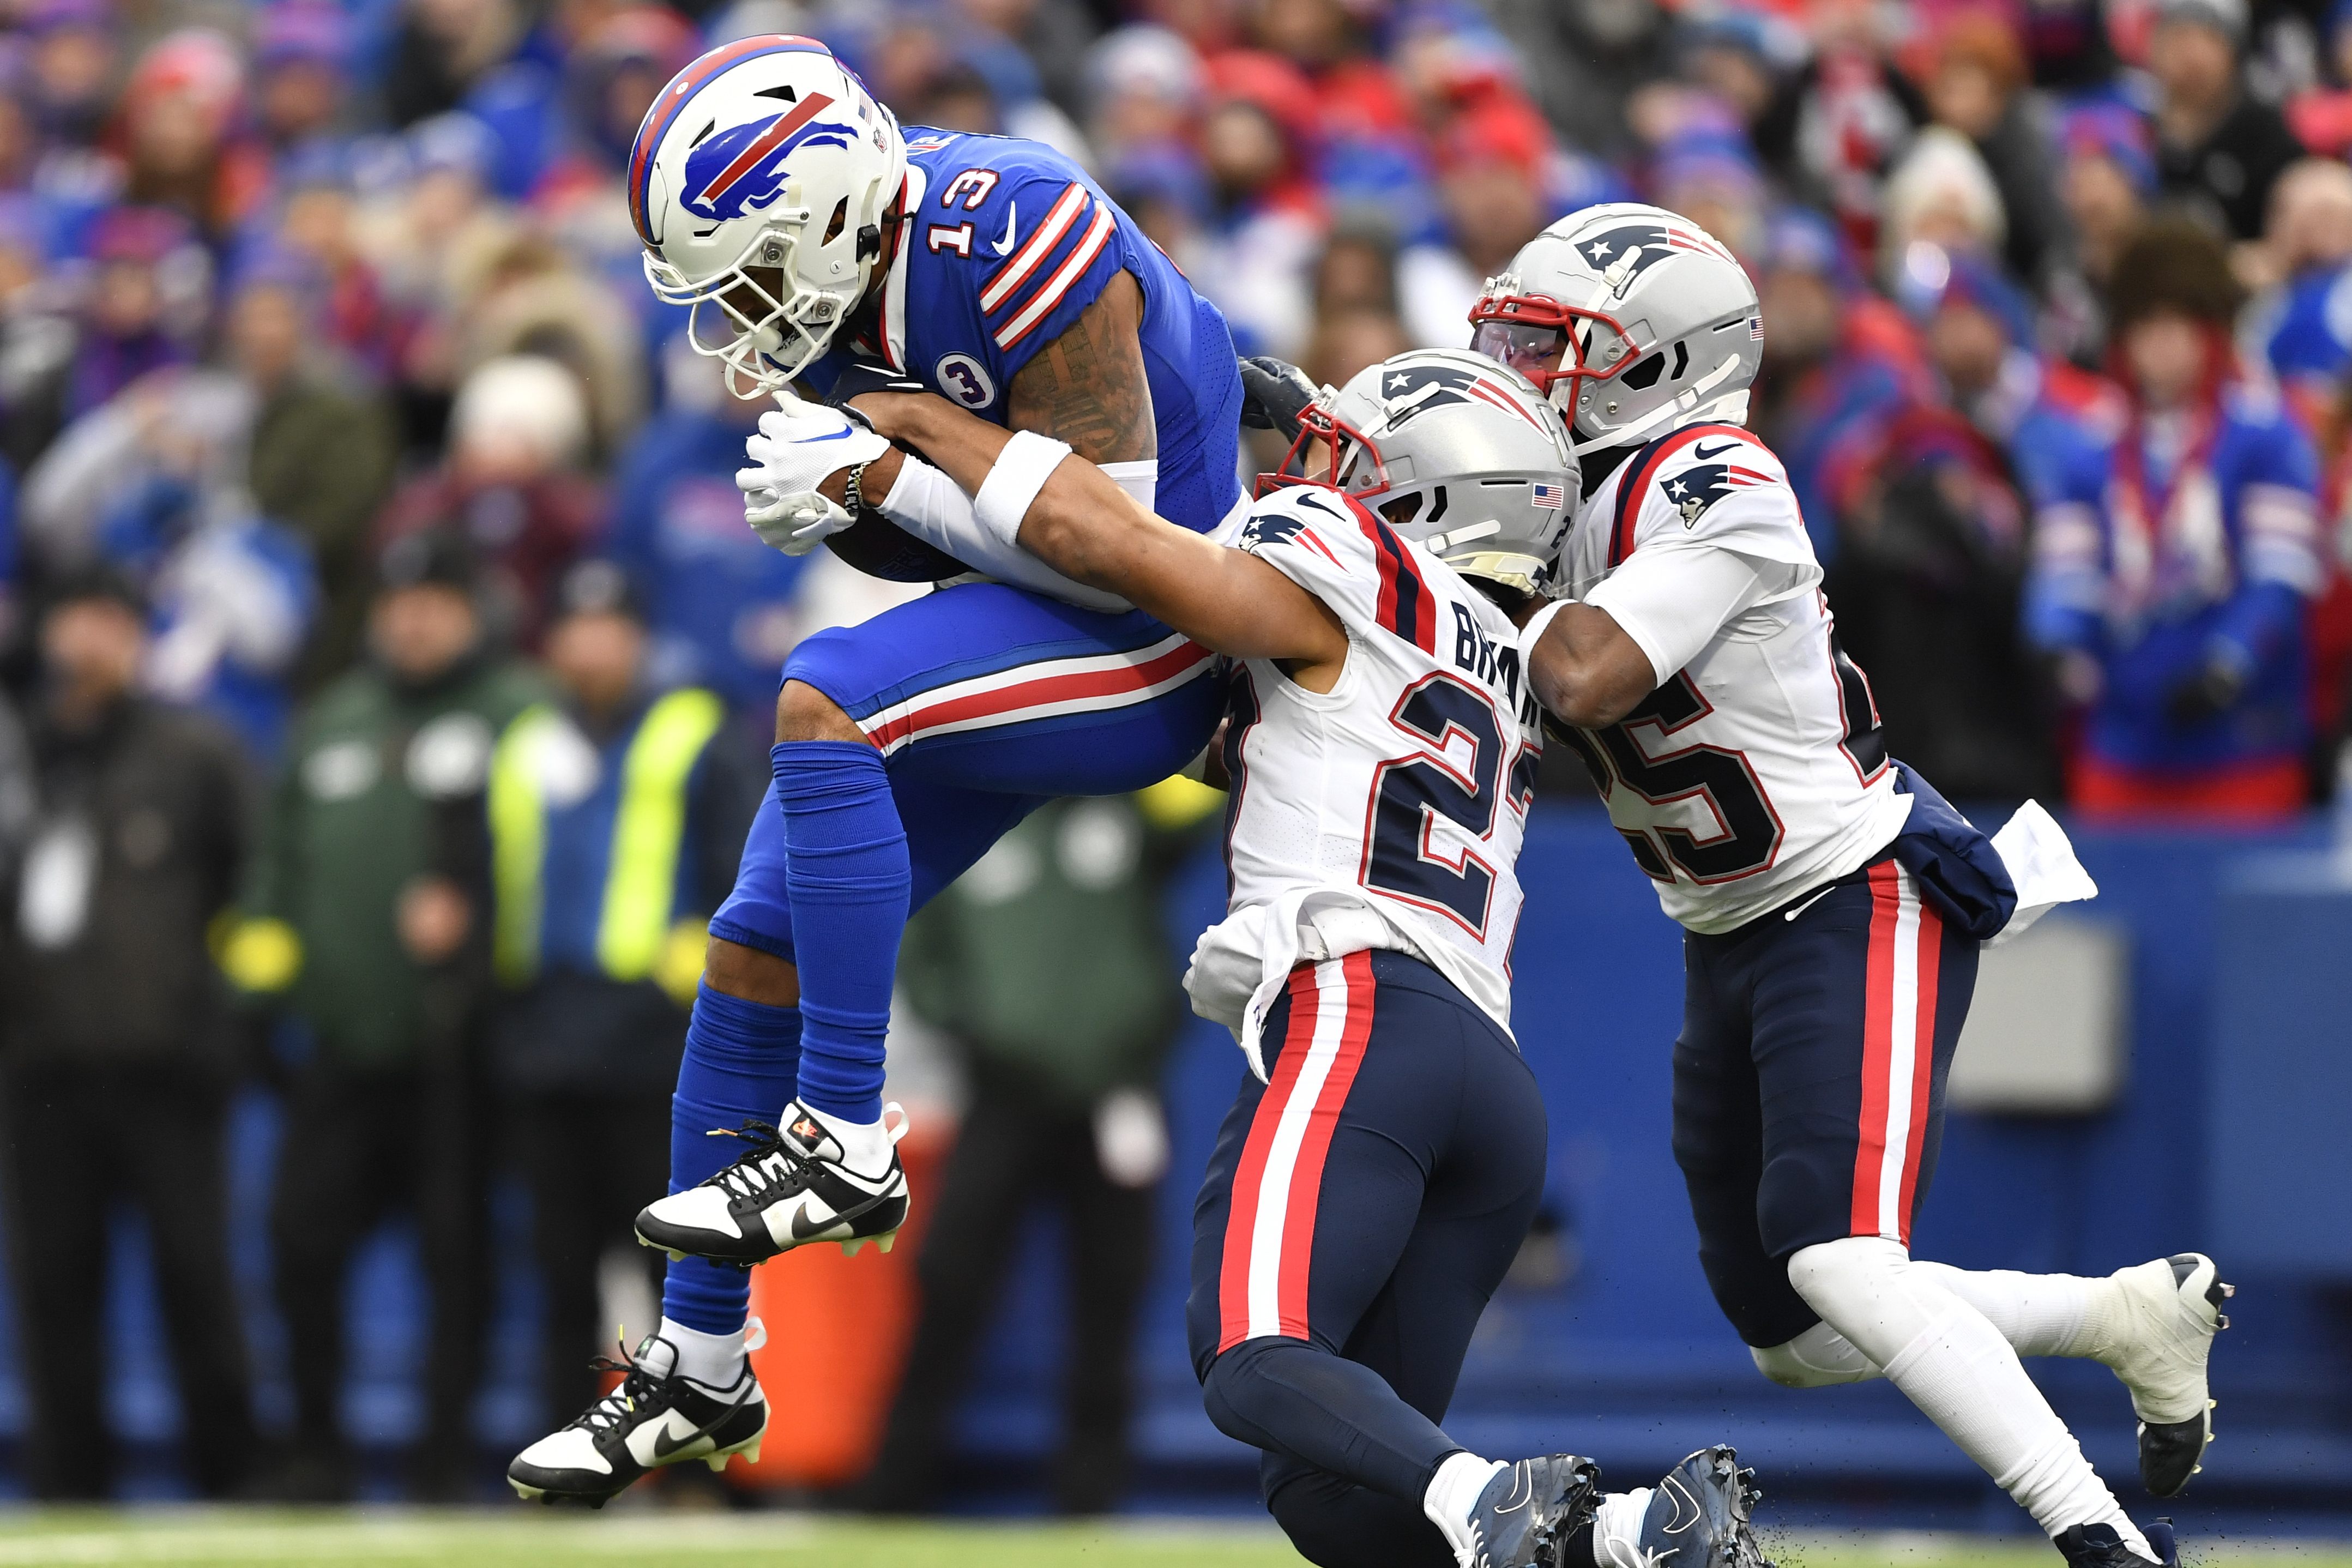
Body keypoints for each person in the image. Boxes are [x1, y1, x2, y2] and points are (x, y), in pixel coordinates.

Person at [845, 348, 1770, 1568]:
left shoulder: (1355, 577)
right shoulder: (1488, 654)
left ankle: (1497, 1502)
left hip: (1360, 1016)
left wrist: (908, 446)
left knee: (1250, 1354)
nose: (1319, 472)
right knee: (1342, 1500)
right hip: (1483, 1082)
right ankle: (1636, 1535)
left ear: (1426, 497)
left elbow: (1108, 542)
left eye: (1355, 462)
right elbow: (1190, 717)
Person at [505, 35, 1245, 1503]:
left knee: (826, 689)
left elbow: (1122, 550)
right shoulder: (846, 306)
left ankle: (844, 1129)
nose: (738, 316)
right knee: (751, 936)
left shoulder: (1013, 223)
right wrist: (871, 501)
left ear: (832, 202)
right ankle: (700, 1365)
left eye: (750, 267)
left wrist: (890, 472)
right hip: (1056, 608)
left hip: (1173, 625)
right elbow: (943, 528)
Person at [1468, 201, 2227, 1568]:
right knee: (1797, 1339)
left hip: (1854, 891)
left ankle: (2106, 1536)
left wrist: (1461, 570)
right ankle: (2124, 1313)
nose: (1520, 375)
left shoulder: (1717, 478)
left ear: (1655, 363)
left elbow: (1582, 674)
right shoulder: (1560, 487)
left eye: (1550, 347)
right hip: (1724, 928)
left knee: (1836, 1253)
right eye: (1513, 340)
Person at [223, 532, 548, 1500]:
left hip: (463, 1053)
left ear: (470, 609)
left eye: (434, 601)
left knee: (461, 1260)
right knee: (299, 1247)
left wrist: (478, 923)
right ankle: (314, 1447)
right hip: (339, 1054)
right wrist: (260, 996)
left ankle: (442, 1462)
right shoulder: (334, 719)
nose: (412, 620)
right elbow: (274, 871)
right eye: (396, 603)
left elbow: (555, 861)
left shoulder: (518, 714)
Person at [859, 786, 1214, 1516]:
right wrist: (978, 1030)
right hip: (1003, 1097)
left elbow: (1210, 790)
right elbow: (920, 954)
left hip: (1116, 1093)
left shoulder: (1124, 813)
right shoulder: (964, 831)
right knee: (951, 1282)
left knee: (1109, 1296)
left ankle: (1089, 1500)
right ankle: (894, 1488)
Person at [479, 560, 763, 1430]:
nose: (592, 645)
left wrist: (682, 980)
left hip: (656, 1049)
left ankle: (685, 1458)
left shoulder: (697, 733)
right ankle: (564, 1446)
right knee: (560, 1269)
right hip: (544, 1039)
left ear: (639, 638)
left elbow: (741, 878)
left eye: (609, 627)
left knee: (670, 1270)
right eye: (575, 627)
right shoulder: (524, 742)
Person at [0, 569, 259, 1500]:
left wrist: (218, 1018)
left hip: (168, 1068)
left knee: (196, 1279)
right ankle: (70, 1489)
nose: (91, 643)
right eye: (76, 621)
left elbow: (256, 891)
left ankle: (230, 1484)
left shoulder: (194, 754)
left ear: (140, 639)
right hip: (42, 1067)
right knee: (55, 1291)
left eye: (112, 623)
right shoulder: (19, 755)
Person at [2030, 217, 2324, 821]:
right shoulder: (2091, 446)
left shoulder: (2265, 435)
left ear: (2210, 333)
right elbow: (2067, 573)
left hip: (2243, 747)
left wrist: (2227, 664)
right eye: (2145, 326)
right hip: (2122, 749)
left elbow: (2280, 581)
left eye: (2177, 326)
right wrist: (2057, 646)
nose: (2160, 344)